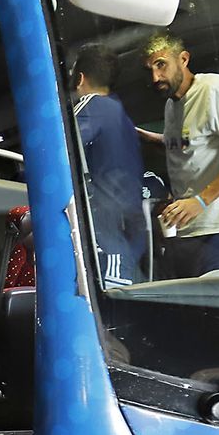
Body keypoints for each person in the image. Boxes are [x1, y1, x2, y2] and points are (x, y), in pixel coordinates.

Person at [136, 31, 219, 278]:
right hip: (186, 228)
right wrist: (140, 135)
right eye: (149, 69)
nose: (155, 76)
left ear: (183, 59)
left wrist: (201, 201)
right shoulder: (171, 105)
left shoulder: (215, 90)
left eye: (161, 64)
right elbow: (185, 144)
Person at [71, 44, 164, 287]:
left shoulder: (91, 106)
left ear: (79, 78)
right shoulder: (122, 117)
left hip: (105, 241)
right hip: (127, 241)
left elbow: (59, 150)